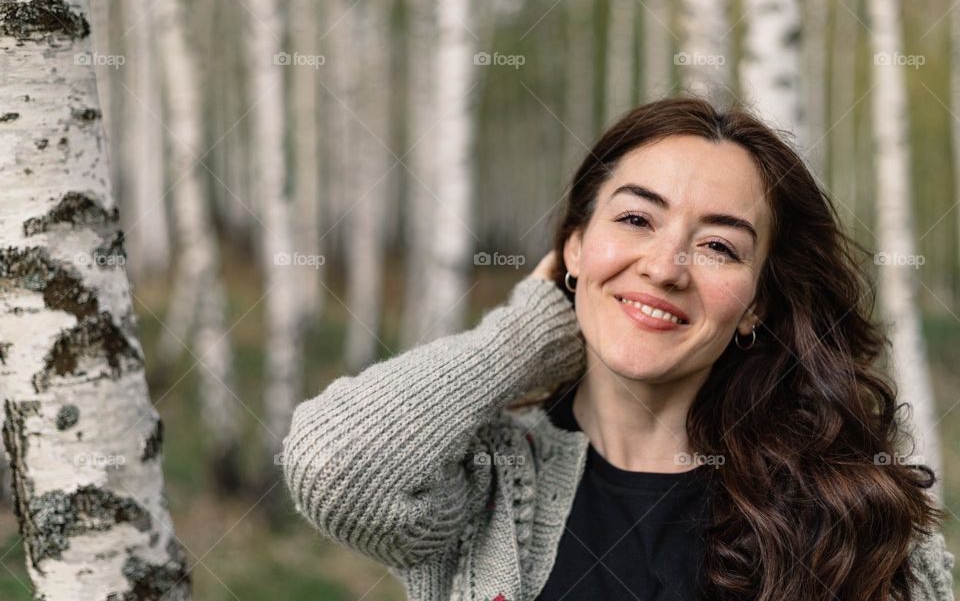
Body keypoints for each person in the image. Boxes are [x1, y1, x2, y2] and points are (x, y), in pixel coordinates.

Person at [281, 96, 956, 601]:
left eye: (719, 246)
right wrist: (530, 333)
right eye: (636, 219)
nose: (665, 266)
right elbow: (333, 465)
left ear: (756, 302)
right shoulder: (486, 478)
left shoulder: (850, 506)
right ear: (572, 246)